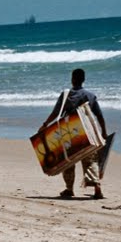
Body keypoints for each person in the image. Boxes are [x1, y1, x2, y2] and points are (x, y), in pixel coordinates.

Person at [40, 67, 109, 200]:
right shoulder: (90, 96)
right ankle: (97, 189)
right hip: (87, 133)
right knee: (91, 160)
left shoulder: (66, 95)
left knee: (68, 161)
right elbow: (99, 116)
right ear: (83, 80)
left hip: (69, 133)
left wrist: (45, 125)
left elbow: (55, 113)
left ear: (72, 79)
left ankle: (69, 189)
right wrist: (104, 132)